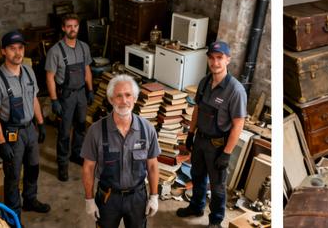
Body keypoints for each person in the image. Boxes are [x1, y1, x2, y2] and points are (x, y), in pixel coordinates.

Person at [176, 41, 247, 228]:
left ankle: (215, 221)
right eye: (211, 58)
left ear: (228, 60)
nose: (215, 62)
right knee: (197, 176)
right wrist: (190, 134)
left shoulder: (235, 90)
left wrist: (227, 153)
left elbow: (238, 124)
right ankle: (196, 207)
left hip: (218, 146)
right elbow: (198, 109)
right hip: (200, 140)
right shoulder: (204, 82)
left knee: (217, 187)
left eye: (219, 58)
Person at [0, 30, 51, 218]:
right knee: (13, 176)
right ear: (3, 52)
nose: (18, 53)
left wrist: (41, 122)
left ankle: (30, 200)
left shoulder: (29, 71)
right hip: (11, 134)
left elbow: (34, 99)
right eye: (12, 49)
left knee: (33, 167)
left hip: (30, 128)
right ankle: (13, 215)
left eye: (20, 48)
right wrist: (1, 142)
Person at [81, 75, 160, 228]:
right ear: (111, 99)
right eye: (118, 96)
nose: (124, 101)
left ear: (135, 98)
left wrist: (154, 196)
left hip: (137, 197)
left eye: (128, 95)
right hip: (108, 198)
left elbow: (152, 165)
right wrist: (89, 199)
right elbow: (88, 168)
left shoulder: (147, 129)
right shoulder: (96, 131)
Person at [45, 13, 93, 181]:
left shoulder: (83, 47)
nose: (73, 29)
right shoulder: (55, 51)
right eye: (69, 26)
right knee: (64, 132)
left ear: (78, 27)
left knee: (81, 127)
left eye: (75, 26)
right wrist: (54, 100)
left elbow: (87, 69)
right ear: (63, 28)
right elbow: (49, 77)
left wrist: (90, 90)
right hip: (65, 95)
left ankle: (76, 154)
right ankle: (62, 164)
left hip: (81, 93)